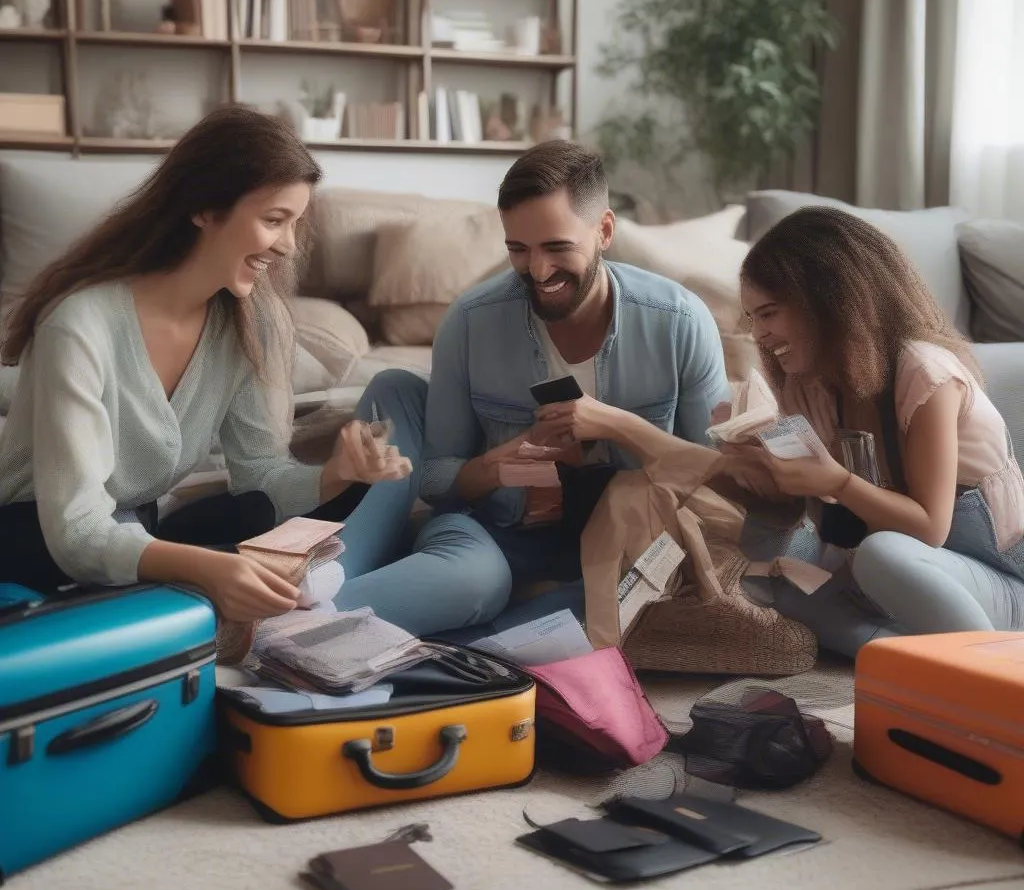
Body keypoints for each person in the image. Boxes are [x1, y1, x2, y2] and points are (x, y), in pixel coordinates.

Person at [0, 104, 421, 625]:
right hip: (36, 539)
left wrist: (335, 476)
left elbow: (261, 474)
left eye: (295, 224)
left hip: (137, 531)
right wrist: (212, 570)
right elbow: (77, 532)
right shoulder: (80, 324)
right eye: (273, 221)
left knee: (255, 513)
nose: (288, 247)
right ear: (204, 207)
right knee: (243, 566)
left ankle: (205, 598)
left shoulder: (251, 320)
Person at [338, 139, 731, 635]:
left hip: (626, 539)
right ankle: (293, 623)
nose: (539, 272)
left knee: (625, 605)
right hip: (497, 533)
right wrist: (494, 469)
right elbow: (437, 480)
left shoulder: (678, 322)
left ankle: (467, 641)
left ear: (604, 230)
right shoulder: (470, 322)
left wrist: (615, 423)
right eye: (518, 250)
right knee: (472, 584)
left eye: (557, 248)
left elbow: (713, 479)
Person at [723, 205, 1024, 652]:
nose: (759, 335)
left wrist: (838, 481)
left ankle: (986, 670)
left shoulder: (925, 374)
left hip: (996, 581)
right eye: (753, 319)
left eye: (768, 314)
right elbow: (833, 532)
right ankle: (903, 655)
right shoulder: (809, 387)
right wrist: (766, 483)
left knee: (881, 555)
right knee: (773, 576)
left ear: (827, 300)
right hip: (902, 575)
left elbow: (929, 529)